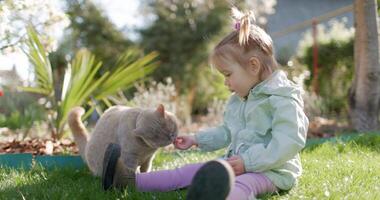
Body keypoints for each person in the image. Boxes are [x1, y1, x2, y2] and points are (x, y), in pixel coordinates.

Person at [102, 7, 309, 200]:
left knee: (242, 186)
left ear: (253, 66)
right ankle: (131, 180)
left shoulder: (282, 99)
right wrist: (196, 139)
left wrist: (249, 163)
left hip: (272, 172)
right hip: (235, 165)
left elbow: (289, 141)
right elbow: (226, 132)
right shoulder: (240, 100)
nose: (225, 82)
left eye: (228, 74)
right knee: (191, 171)